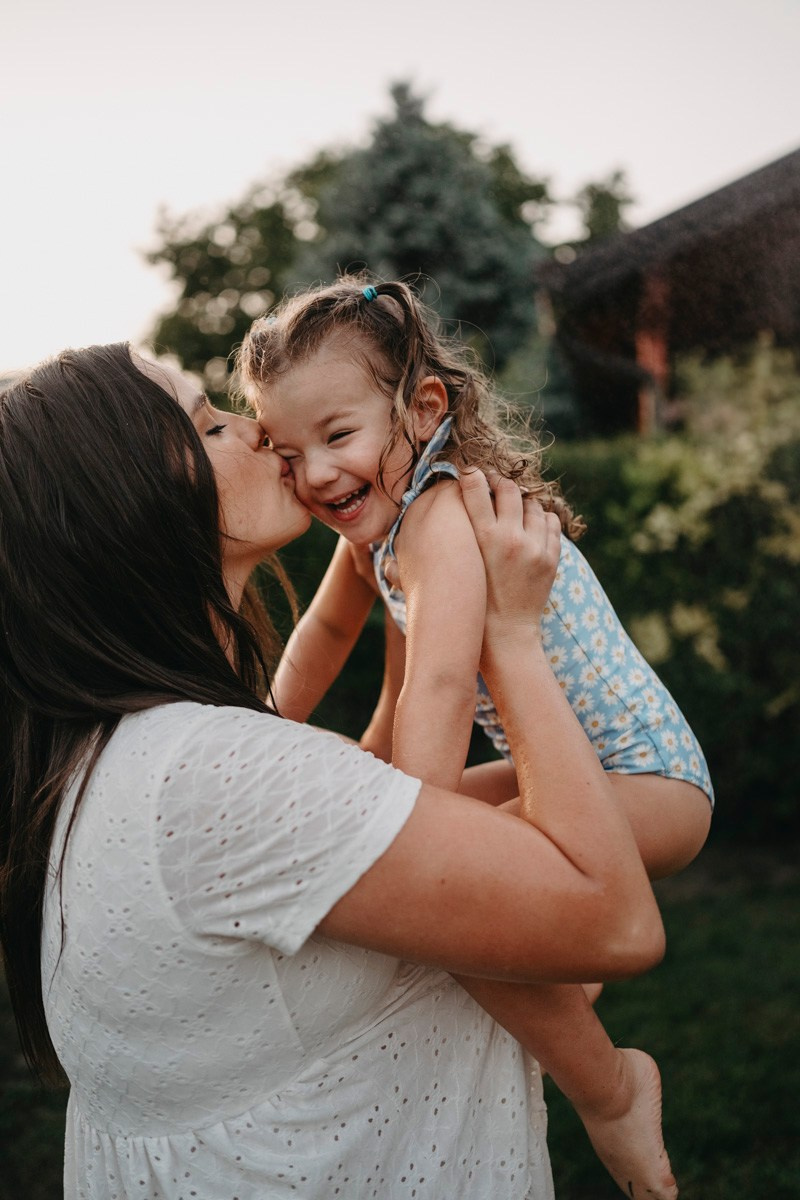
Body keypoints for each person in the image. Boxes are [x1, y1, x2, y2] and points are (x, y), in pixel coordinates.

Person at [0, 343, 665, 1200]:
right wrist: (511, 635)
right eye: (209, 424)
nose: (257, 435)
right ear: (126, 509)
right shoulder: (213, 776)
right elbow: (615, 923)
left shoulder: (109, 760)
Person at [237, 275, 715, 1199]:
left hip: (648, 783)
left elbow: (445, 683)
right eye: (289, 454)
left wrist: (417, 822)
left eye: (339, 436)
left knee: (439, 900)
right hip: (553, 773)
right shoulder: (375, 527)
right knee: (433, 878)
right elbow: (327, 636)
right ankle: (557, 986)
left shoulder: (440, 519)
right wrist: (260, 726)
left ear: (423, 409)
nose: (319, 473)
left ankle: (612, 1088)